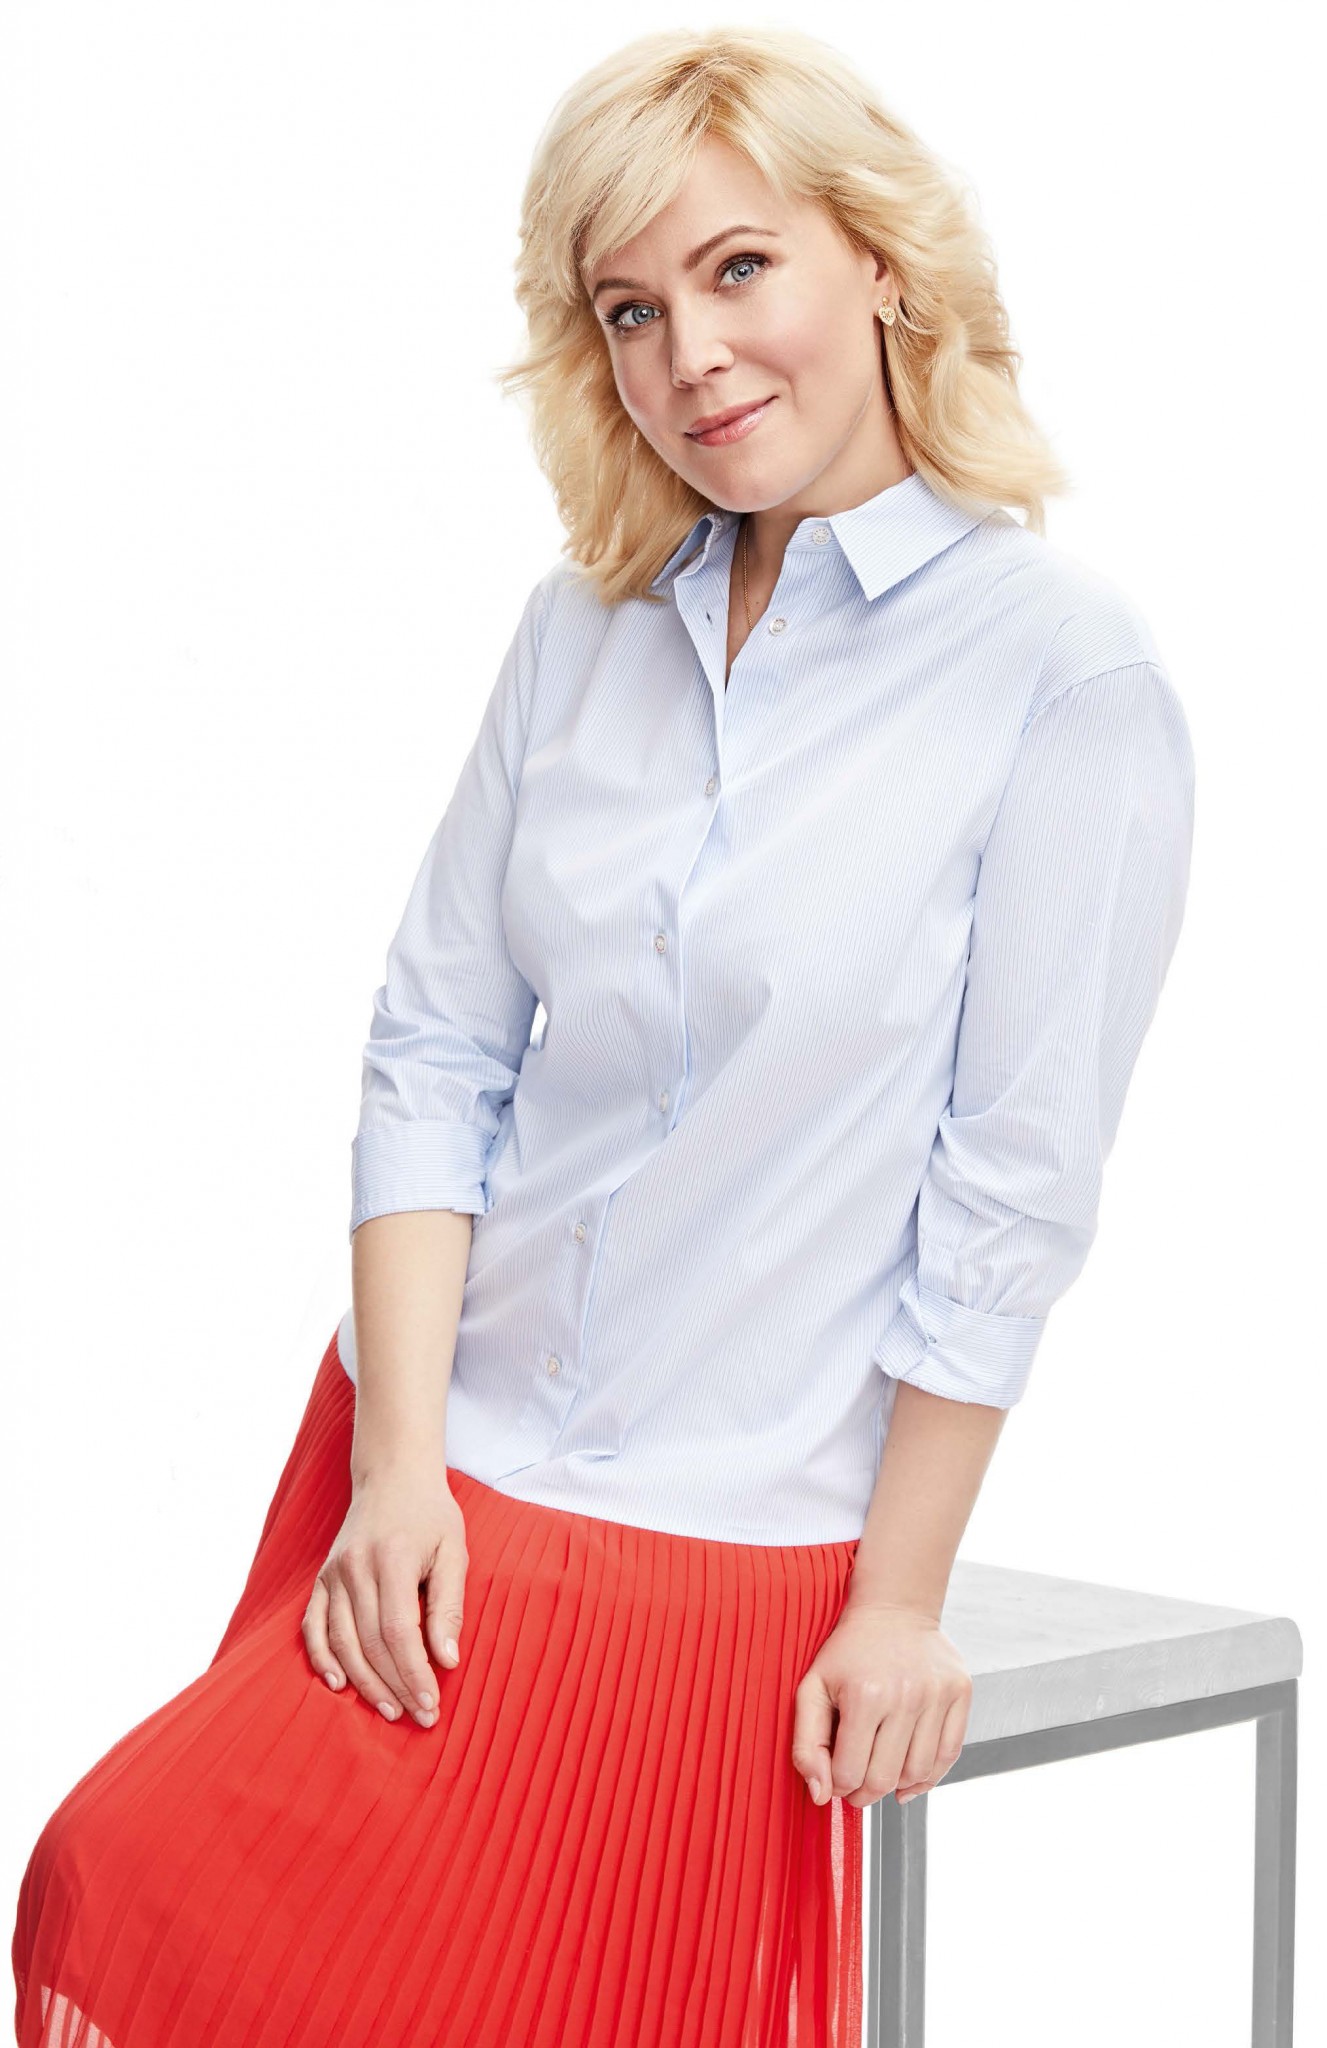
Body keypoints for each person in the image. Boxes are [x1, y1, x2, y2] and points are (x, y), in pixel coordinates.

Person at [11, 24, 1195, 2048]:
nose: (689, 357)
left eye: (738, 270)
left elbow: (1011, 1188)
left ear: (879, 259)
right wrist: (399, 1471)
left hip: (716, 1547)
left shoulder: (1062, 676)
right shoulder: (584, 627)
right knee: (117, 1883)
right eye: (631, 311)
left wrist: (901, 1602)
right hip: (419, 1474)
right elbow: (434, 1051)